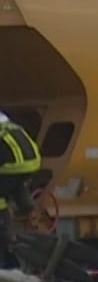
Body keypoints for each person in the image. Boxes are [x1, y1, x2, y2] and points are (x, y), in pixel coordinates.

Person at [0, 113, 44, 271]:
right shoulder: (7, 122)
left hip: (11, 166)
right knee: (11, 184)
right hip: (32, 163)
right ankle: (25, 206)